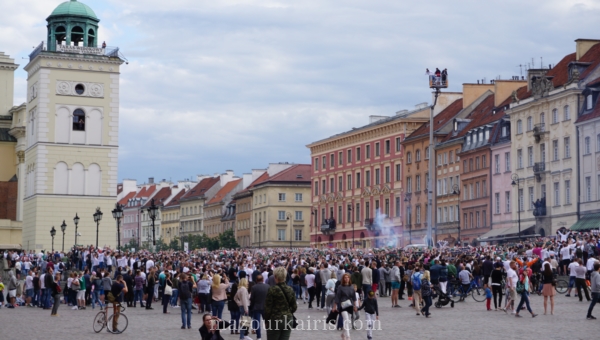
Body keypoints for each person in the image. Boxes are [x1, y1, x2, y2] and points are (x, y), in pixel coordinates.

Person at [264, 267, 297, 340]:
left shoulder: (272, 290)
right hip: (288, 319)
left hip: (275, 319)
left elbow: (267, 308)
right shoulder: (290, 289)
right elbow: (294, 307)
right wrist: (287, 311)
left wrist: (266, 320)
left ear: (275, 277)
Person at [332, 273, 357, 340]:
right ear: (343, 279)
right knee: (346, 319)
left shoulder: (351, 286)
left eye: (348, 277)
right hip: (342, 305)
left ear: (349, 278)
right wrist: (335, 306)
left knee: (347, 321)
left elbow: (354, 297)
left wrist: (355, 306)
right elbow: (337, 297)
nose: (346, 279)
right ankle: (348, 337)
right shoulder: (340, 287)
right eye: (345, 277)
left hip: (349, 305)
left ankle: (343, 334)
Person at [250, 274, 269, 340]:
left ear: (256, 280)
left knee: (257, 322)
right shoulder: (267, 286)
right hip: (265, 307)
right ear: (263, 280)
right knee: (267, 322)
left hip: (256, 307)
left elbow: (252, 298)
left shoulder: (254, 287)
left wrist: (252, 306)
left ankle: (259, 337)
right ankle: (269, 335)